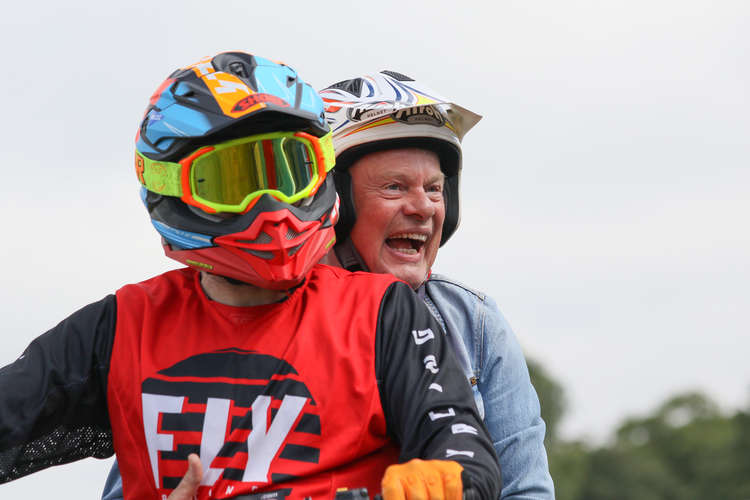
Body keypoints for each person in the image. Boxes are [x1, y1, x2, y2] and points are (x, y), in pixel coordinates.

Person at [0, 52, 502, 500]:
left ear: (322, 174)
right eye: (234, 181)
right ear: (170, 186)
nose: (271, 208)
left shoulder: (382, 311)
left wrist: (447, 476)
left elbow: (458, 434)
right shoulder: (121, 327)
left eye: (289, 172)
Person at [317, 71, 555, 499]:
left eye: (435, 189)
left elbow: (527, 490)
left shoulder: (474, 323)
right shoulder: (273, 310)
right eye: (395, 187)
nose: (424, 207)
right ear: (333, 202)